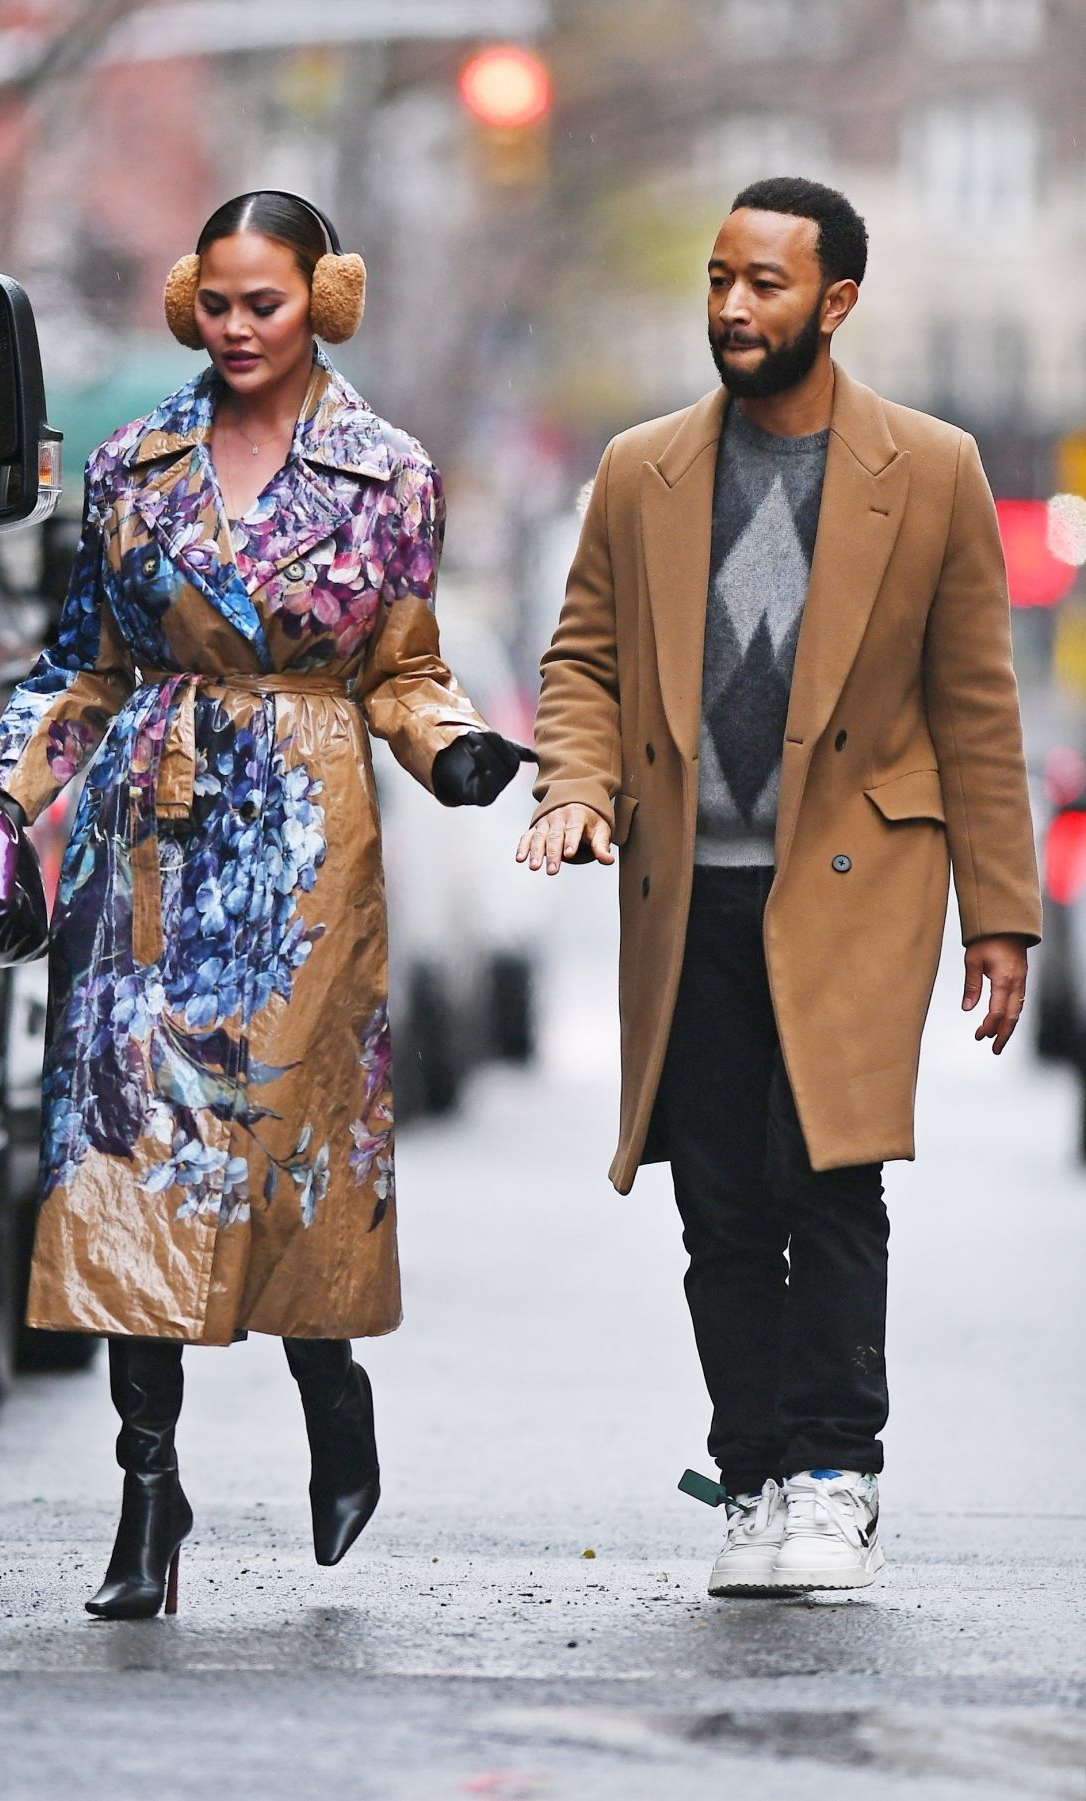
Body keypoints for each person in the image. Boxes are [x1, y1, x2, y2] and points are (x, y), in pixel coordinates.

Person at [0, 190, 531, 1619]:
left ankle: (329, 1382)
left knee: (290, 1156)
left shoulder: (387, 472)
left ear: (322, 300)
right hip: (146, 840)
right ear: (184, 300)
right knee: (127, 1160)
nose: (236, 328)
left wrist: (451, 746)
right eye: (215, 301)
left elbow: (402, 663)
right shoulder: (135, 462)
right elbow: (79, 664)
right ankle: (148, 1494)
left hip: (304, 847)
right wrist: (0, 792)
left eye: (263, 303)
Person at [518, 176, 1040, 1596]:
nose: (734, 309)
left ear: (838, 301)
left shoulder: (931, 467)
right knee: (722, 1205)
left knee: (828, 1177)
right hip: (691, 892)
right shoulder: (641, 469)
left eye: (766, 285)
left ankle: (833, 1475)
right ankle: (751, 1476)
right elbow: (584, 661)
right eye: (718, 281)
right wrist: (577, 788)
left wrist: (1002, 908)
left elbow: (976, 703)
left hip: (860, 881)